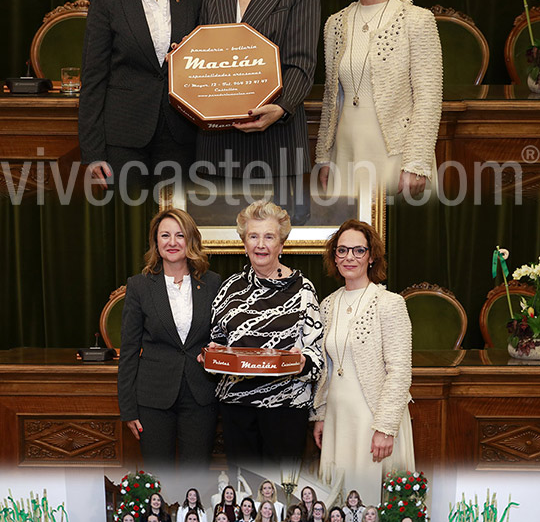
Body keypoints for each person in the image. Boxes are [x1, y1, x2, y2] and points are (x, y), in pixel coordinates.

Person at [197, 0, 320, 191]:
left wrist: (280, 108)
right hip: (217, 144)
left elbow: (302, 61)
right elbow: (204, 55)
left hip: (276, 140)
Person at [316, 0, 442, 203]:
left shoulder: (417, 20)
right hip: (345, 151)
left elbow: (428, 99)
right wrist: (324, 157)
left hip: (395, 155)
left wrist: (416, 163)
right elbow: (331, 98)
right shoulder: (334, 24)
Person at [79, 0, 203, 190]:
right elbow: (93, 79)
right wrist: (93, 152)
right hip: (123, 139)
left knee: (176, 214)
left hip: (181, 136)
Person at [207, 200, 323, 462]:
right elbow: (216, 343)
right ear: (244, 242)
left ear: (281, 244)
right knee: (244, 492)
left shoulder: (303, 289)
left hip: (286, 408)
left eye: (269, 236)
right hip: (237, 408)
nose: (261, 244)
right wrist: (212, 355)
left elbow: (317, 356)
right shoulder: (229, 289)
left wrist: (303, 360)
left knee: (282, 494)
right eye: (253, 236)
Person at [313, 220, 415, 496]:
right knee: (340, 504)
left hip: (373, 420)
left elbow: (400, 372)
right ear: (334, 256)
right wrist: (321, 415)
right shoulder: (328, 304)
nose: (349, 257)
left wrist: (385, 428)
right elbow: (327, 369)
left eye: (358, 250)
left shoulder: (390, 304)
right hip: (338, 418)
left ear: (371, 256)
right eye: (342, 250)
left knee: (372, 502)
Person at [117, 207, 222, 464]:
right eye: (165, 235)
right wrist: (128, 409)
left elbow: (221, 339)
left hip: (201, 396)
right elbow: (129, 351)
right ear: (156, 241)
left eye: (179, 235)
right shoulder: (139, 286)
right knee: (158, 476)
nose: (172, 242)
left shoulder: (213, 283)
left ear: (191, 241)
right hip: (153, 399)